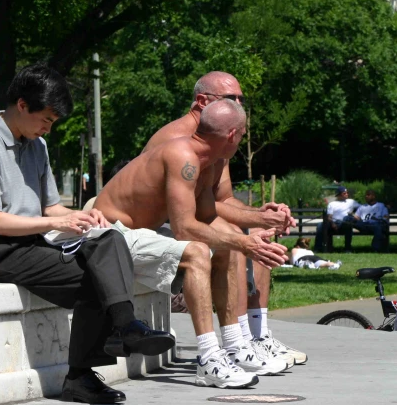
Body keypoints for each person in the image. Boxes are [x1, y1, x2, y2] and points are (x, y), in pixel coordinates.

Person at [0, 63, 175, 405]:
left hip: (34, 243)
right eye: (46, 120)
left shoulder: (36, 145)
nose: (48, 129)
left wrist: (80, 216)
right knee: (100, 278)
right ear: (22, 105)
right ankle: (98, 359)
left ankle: (121, 331)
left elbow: (50, 208)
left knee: (109, 241)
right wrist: (56, 224)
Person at [96, 100, 289, 388]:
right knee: (197, 251)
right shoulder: (183, 156)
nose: (243, 139)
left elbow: (209, 216)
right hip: (109, 236)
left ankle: (234, 346)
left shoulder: (206, 162)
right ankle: (209, 359)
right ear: (232, 135)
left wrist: (260, 223)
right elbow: (184, 227)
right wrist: (244, 241)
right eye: (244, 133)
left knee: (226, 246)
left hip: (140, 233)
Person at [138, 71, 305, 367]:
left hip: (185, 218)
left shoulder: (217, 135)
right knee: (235, 240)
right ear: (202, 101)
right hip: (149, 225)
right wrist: (240, 236)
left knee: (254, 231)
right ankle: (235, 343)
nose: (239, 105)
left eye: (242, 98)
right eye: (231, 98)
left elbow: (220, 200)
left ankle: (257, 336)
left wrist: (263, 217)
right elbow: (183, 218)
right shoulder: (177, 141)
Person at [314, 186, 359, 253]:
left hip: (344, 223)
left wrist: (354, 214)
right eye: (344, 193)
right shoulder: (332, 204)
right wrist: (332, 223)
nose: (347, 194)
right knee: (320, 225)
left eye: (347, 193)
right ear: (339, 194)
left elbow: (362, 208)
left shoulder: (351, 202)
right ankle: (318, 248)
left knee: (347, 220)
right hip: (333, 222)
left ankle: (347, 248)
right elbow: (329, 216)